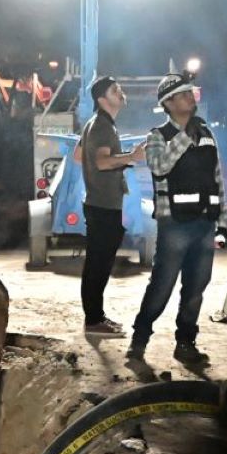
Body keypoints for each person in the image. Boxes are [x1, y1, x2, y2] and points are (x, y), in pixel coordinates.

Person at [127, 70, 227, 366]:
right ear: (169, 103)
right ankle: (139, 340)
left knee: (196, 289)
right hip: (175, 226)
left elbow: (218, 180)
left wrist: (223, 223)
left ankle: (186, 344)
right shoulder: (157, 137)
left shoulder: (207, 134)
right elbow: (159, 166)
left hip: (204, 224)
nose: (190, 97)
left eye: (190, 92)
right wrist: (185, 136)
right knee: (161, 287)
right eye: (183, 94)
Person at [77, 76, 138, 335]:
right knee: (98, 265)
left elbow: (79, 156)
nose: (120, 92)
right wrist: (131, 157)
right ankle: (94, 321)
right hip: (103, 205)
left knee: (97, 263)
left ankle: (96, 316)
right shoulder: (102, 126)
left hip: (98, 202)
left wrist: (115, 162)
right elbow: (101, 162)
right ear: (103, 100)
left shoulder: (96, 124)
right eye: (115, 90)